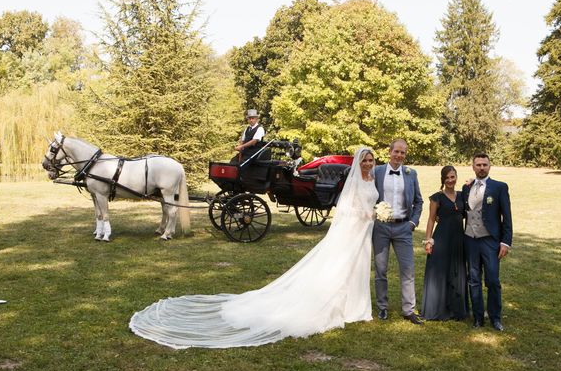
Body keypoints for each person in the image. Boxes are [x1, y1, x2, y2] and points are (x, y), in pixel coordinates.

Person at [130, 148, 378, 349]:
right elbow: (346, 208)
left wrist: (373, 214)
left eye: (370, 160)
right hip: (353, 228)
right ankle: (343, 306)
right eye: (365, 160)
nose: (368, 163)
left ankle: (354, 306)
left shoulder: (372, 178)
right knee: (342, 266)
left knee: (356, 266)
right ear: (359, 162)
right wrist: (366, 213)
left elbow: (354, 204)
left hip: (361, 231)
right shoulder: (355, 181)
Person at [372, 139, 424, 324]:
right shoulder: (376, 172)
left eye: (403, 153)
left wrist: (413, 222)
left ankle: (409, 309)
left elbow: (419, 201)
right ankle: (382, 307)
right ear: (390, 152)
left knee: (408, 269)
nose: (399, 156)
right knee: (381, 269)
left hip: (404, 228)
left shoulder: (411, 174)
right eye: (397, 152)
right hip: (381, 227)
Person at [462, 153, 513, 332]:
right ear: (473, 167)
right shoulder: (467, 187)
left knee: (492, 280)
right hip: (470, 240)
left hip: (490, 241)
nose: (481, 167)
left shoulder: (499, 187)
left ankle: (495, 318)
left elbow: (507, 217)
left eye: (484, 164)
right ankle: (477, 317)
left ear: (490, 166)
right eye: (478, 165)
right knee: (473, 279)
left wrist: (506, 242)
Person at [420, 166, 468, 321]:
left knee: (456, 272)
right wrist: (428, 241)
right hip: (441, 239)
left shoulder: (462, 196)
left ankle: (456, 309)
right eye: (447, 178)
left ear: (456, 177)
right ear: (443, 179)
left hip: (458, 239)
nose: (450, 180)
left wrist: (472, 182)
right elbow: (431, 219)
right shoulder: (437, 197)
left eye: (452, 177)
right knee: (439, 272)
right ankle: (438, 309)